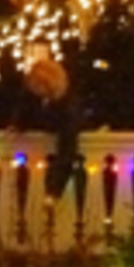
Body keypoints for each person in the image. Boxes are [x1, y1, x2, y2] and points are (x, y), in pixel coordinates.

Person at [8, 54, 86, 203]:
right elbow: (25, 114)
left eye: (37, 85)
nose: (33, 89)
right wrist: (18, 125)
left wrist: (55, 189)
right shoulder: (35, 99)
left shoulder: (68, 108)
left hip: (55, 165)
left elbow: (67, 148)